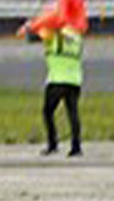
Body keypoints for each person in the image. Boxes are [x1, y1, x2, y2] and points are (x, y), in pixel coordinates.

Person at [19, 22, 84, 157]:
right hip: (75, 79)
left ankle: (52, 144)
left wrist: (29, 26)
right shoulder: (76, 35)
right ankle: (76, 147)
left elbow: (31, 37)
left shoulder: (53, 33)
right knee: (73, 113)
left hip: (57, 79)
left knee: (48, 112)